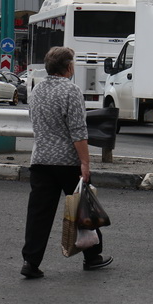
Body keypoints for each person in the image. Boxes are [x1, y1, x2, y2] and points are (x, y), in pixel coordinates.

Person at [20, 46, 112, 278]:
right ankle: (92, 256)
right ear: (69, 67)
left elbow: (34, 120)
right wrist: (85, 163)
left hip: (40, 160)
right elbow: (78, 132)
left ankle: (31, 262)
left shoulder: (37, 90)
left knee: (39, 215)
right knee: (82, 210)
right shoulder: (71, 91)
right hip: (67, 162)